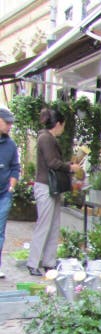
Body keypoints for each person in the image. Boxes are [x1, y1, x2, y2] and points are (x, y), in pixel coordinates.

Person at [27, 108, 80, 276]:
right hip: (45, 186)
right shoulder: (46, 138)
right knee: (44, 225)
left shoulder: (47, 138)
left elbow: (53, 162)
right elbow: (52, 162)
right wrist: (70, 167)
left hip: (52, 187)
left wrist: (67, 165)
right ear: (58, 124)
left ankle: (49, 262)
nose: (63, 129)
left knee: (54, 225)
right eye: (63, 125)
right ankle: (33, 263)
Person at [0, 107, 20, 279]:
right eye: (7, 123)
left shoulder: (10, 145)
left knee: (0, 230)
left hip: (4, 194)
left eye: (11, 123)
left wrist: (12, 185)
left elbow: (15, 167)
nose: (9, 126)